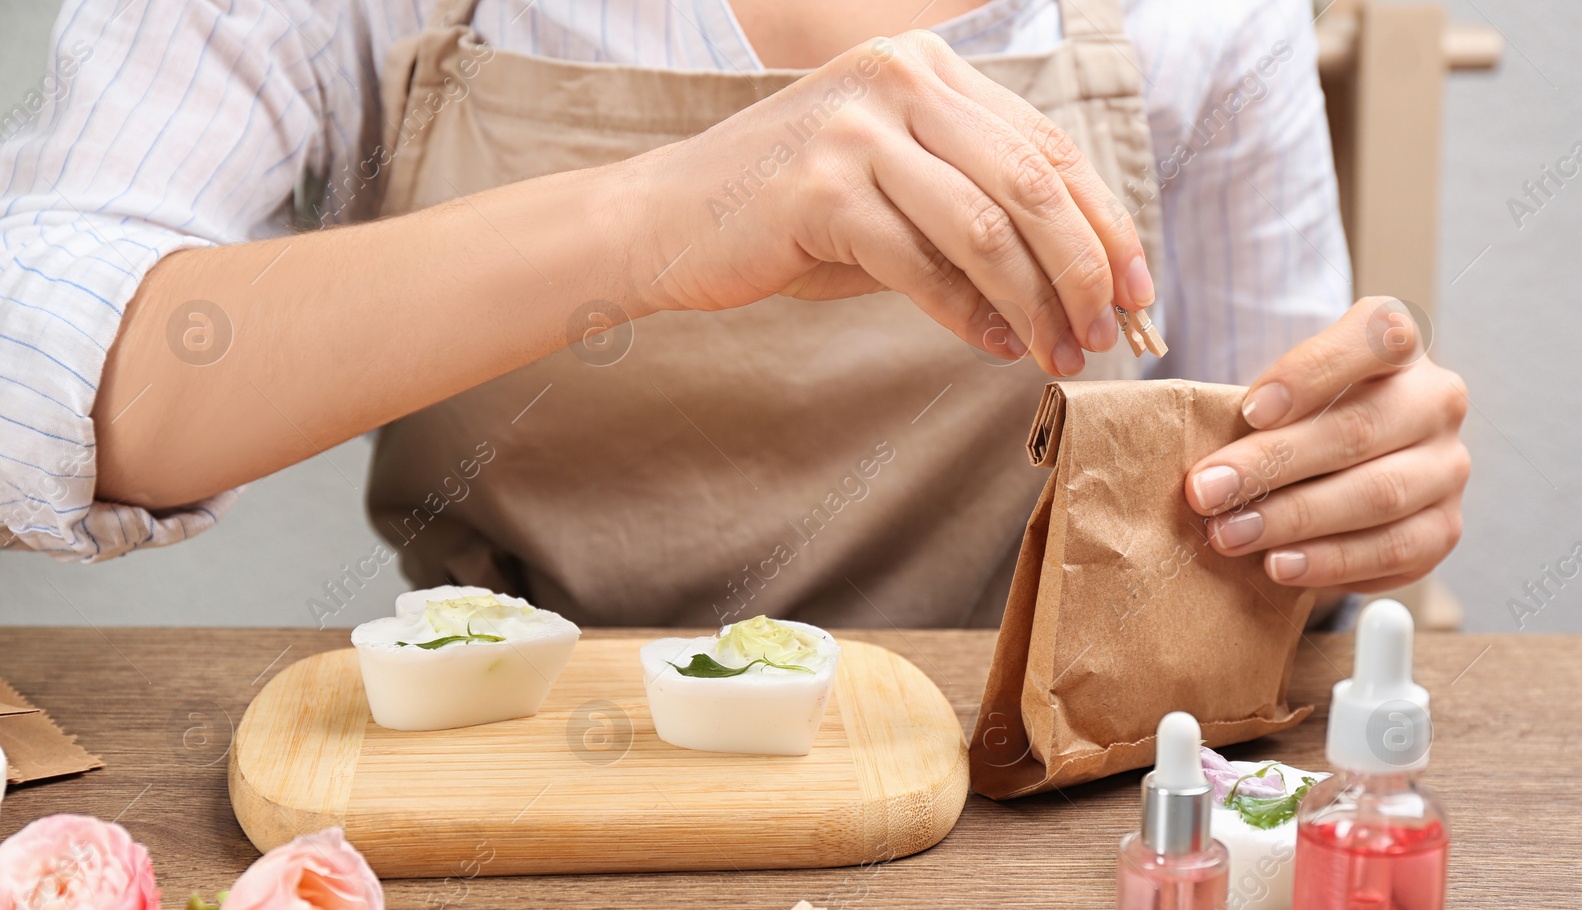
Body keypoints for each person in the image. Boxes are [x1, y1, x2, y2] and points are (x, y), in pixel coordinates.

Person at [0, 0, 1468, 628]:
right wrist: (650, 222)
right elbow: (37, 369)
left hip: (1026, 811)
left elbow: (1255, 552)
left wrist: (1327, 500)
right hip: (492, 783)